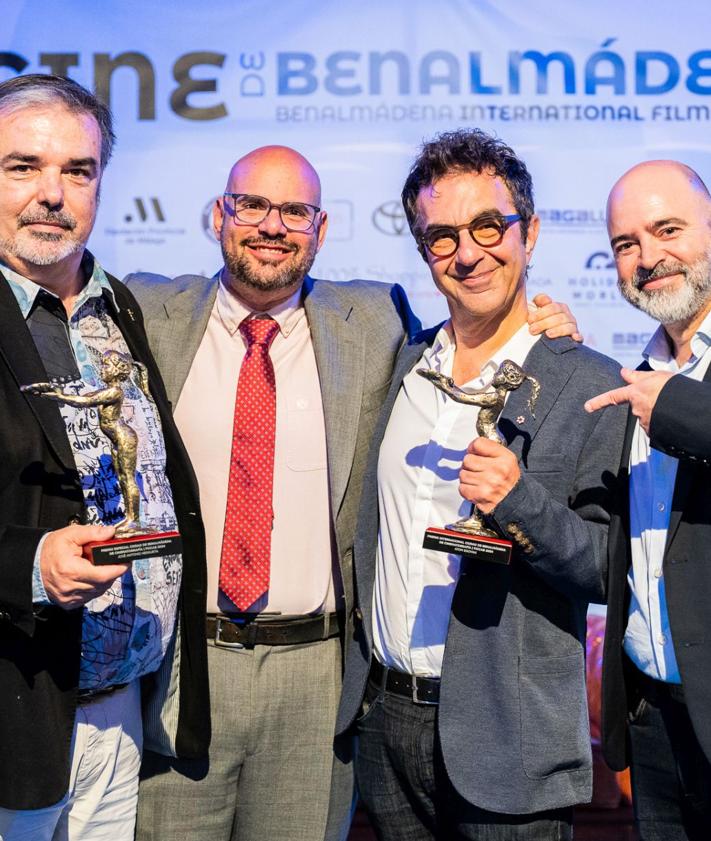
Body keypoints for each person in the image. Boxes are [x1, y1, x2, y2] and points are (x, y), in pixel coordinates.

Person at [125, 143, 579, 841]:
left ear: (322, 229)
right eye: (251, 205)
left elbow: (475, 338)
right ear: (218, 213)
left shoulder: (372, 322)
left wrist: (544, 337)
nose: (272, 226)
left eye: (295, 211)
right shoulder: (147, 310)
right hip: (186, 665)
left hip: (317, 678)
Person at [336, 128, 628, 841]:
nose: (467, 252)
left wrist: (517, 500)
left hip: (509, 740)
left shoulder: (590, 382)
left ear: (527, 231)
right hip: (381, 727)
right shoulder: (400, 363)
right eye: (441, 236)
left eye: (488, 226)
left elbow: (603, 568)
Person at [0, 74, 209, 841]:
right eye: (23, 166)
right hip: (16, 711)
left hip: (121, 711)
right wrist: (29, 564)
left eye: (77, 171)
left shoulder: (120, 304)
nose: (52, 193)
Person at [585, 160, 711, 840]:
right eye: (624, 243)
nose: (646, 256)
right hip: (654, 722)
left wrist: (677, 408)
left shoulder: (661, 393)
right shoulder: (631, 374)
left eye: (666, 229)